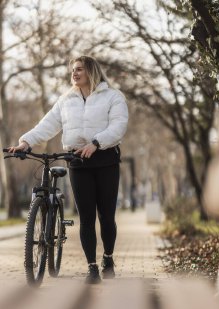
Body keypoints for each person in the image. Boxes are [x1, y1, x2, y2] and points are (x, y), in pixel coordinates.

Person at [8, 55, 129, 284]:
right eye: (73, 69)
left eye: (80, 69)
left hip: (105, 160)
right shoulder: (66, 100)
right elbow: (47, 125)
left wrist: (95, 143)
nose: (74, 73)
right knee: (86, 217)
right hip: (77, 162)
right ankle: (92, 267)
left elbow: (119, 126)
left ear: (91, 71)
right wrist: (26, 142)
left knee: (106, 217)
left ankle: (108, 257)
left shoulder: (113, 96)